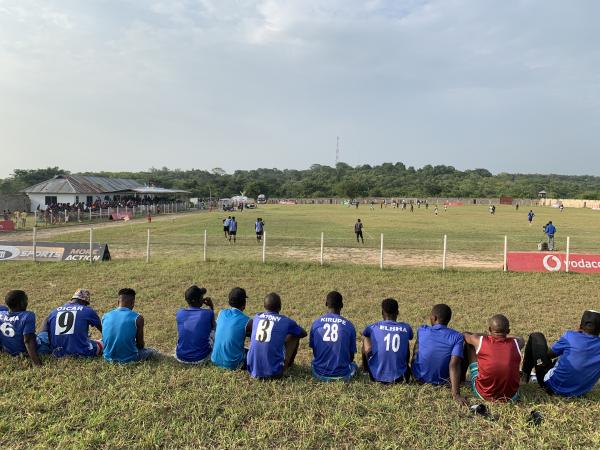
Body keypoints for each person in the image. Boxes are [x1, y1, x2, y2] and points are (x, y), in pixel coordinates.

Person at [521, 310, 600, 397]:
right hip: (579, 393)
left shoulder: (570, 336)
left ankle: (525, 376)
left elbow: (548, 355)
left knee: (536, 336)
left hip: (551, 387)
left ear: (580, 325)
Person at [411, 304, 467, 405]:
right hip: (443, 380)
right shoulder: (457, 336)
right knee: (459, 355)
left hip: (418, 378)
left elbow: (416, 352)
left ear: (434, 318)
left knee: (418, 347)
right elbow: (454, 364)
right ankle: (461, 379)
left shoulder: (422, 330)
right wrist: (456, 394)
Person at [463, 315, 524, 402]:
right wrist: (503, 334)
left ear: (490, 329)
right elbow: (520, 338)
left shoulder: (480, 341)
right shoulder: (517, 343)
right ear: (508, 331)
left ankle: (463, 378)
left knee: (470, 346)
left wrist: (489, 335)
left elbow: (465, 334)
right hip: (511, 396)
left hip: (484, 394)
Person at [246, 292, 307, 379]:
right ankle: (287, 365)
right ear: (280, 307)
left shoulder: (257, 317)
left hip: (251, 370)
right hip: (274, 373)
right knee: (294, 335)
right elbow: (303, 333)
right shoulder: (285, 321)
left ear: (264, 306)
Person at [362, 298, 413, 383]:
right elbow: (410, 337)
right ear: (397, 312)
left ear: (382, 313)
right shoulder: (406, 328)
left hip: (375, 377)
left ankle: (365, 369)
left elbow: (365, 333)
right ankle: (403, 366)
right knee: (405, 340)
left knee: (366, 338)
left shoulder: (372, 327)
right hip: (401, 378)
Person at [309, 291, 357, 381]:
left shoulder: (316, 323)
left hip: (318, 373)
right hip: (343, 375)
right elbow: (351, 357)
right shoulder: (349, 325)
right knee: (354, 365)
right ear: (342, 305)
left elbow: (315, 351)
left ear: (326, 304)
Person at [41, 289, 103, 357]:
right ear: (84, 301)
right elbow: (103, 331)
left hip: (57, 352)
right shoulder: (88, 310)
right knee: (101, 343)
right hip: (81, 352)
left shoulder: (54, 311)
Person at [102, 288, 157, 363]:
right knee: (151, 351)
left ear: (118, 302)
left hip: (107, 357)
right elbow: (140, 345)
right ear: (133, 303)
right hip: (129, 358)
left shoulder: (105, 316)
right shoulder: (138, 318)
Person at [211, 287, 252, 370]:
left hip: (214, 359)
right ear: (244, 303)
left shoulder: (221, 313)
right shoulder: (247, 320)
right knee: (254, 354)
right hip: (234, 363)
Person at [0, 290, 43, 366]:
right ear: (21, 303)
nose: (27, 302)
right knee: (44, 336)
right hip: (23, 351)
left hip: (8, 350)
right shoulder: (27, 316)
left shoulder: (1, 314)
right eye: (25, 300)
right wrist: (37, 363)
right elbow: (28, 340)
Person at [175, 285, 215, 364]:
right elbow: (214, 327)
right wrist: (211, 306)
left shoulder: (179, 313)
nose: (203, 298)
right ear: (199, 300)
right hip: (201, 357)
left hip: (180, 356)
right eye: (201, 296)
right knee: (216, 329)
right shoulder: (208, 313)